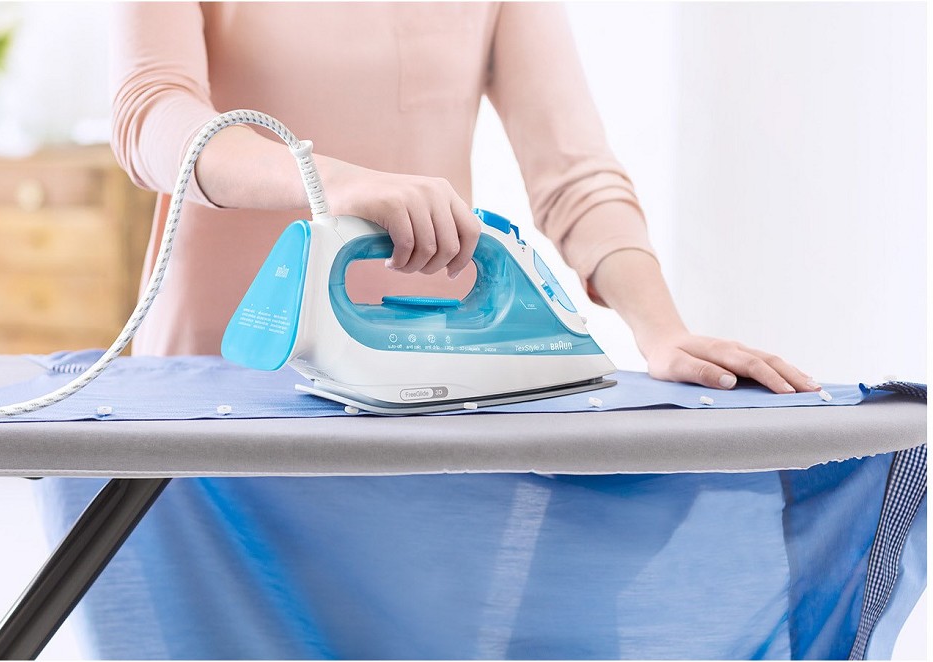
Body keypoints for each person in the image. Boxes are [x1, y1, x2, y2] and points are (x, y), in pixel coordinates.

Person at [42, 3, 819, 658]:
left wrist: (660, 329)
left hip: (422, 417)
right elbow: (151, 112)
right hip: (213, 418)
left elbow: (573, 170)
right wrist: (332, 181)